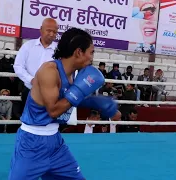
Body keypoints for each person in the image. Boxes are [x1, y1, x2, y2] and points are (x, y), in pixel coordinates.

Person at [8, 27, 121, 180]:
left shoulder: (74, 74)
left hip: (55, 143)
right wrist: (80, 92)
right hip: (32, 143)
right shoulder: (49, 71)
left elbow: (67, 99)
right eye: (91, 52)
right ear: (79, 52)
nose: (92, 57)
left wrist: (94, 102)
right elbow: (53, 110)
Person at [14, 18, 58, 108]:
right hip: (29, 90)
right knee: (27, 120)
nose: (51, 34)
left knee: (46, 120)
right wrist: (31, 80)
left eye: (55, 32)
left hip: (50, 94)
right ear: (41, 29)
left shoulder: (59, 50)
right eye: (49, 31)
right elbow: (18, 66)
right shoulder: (28, 46)